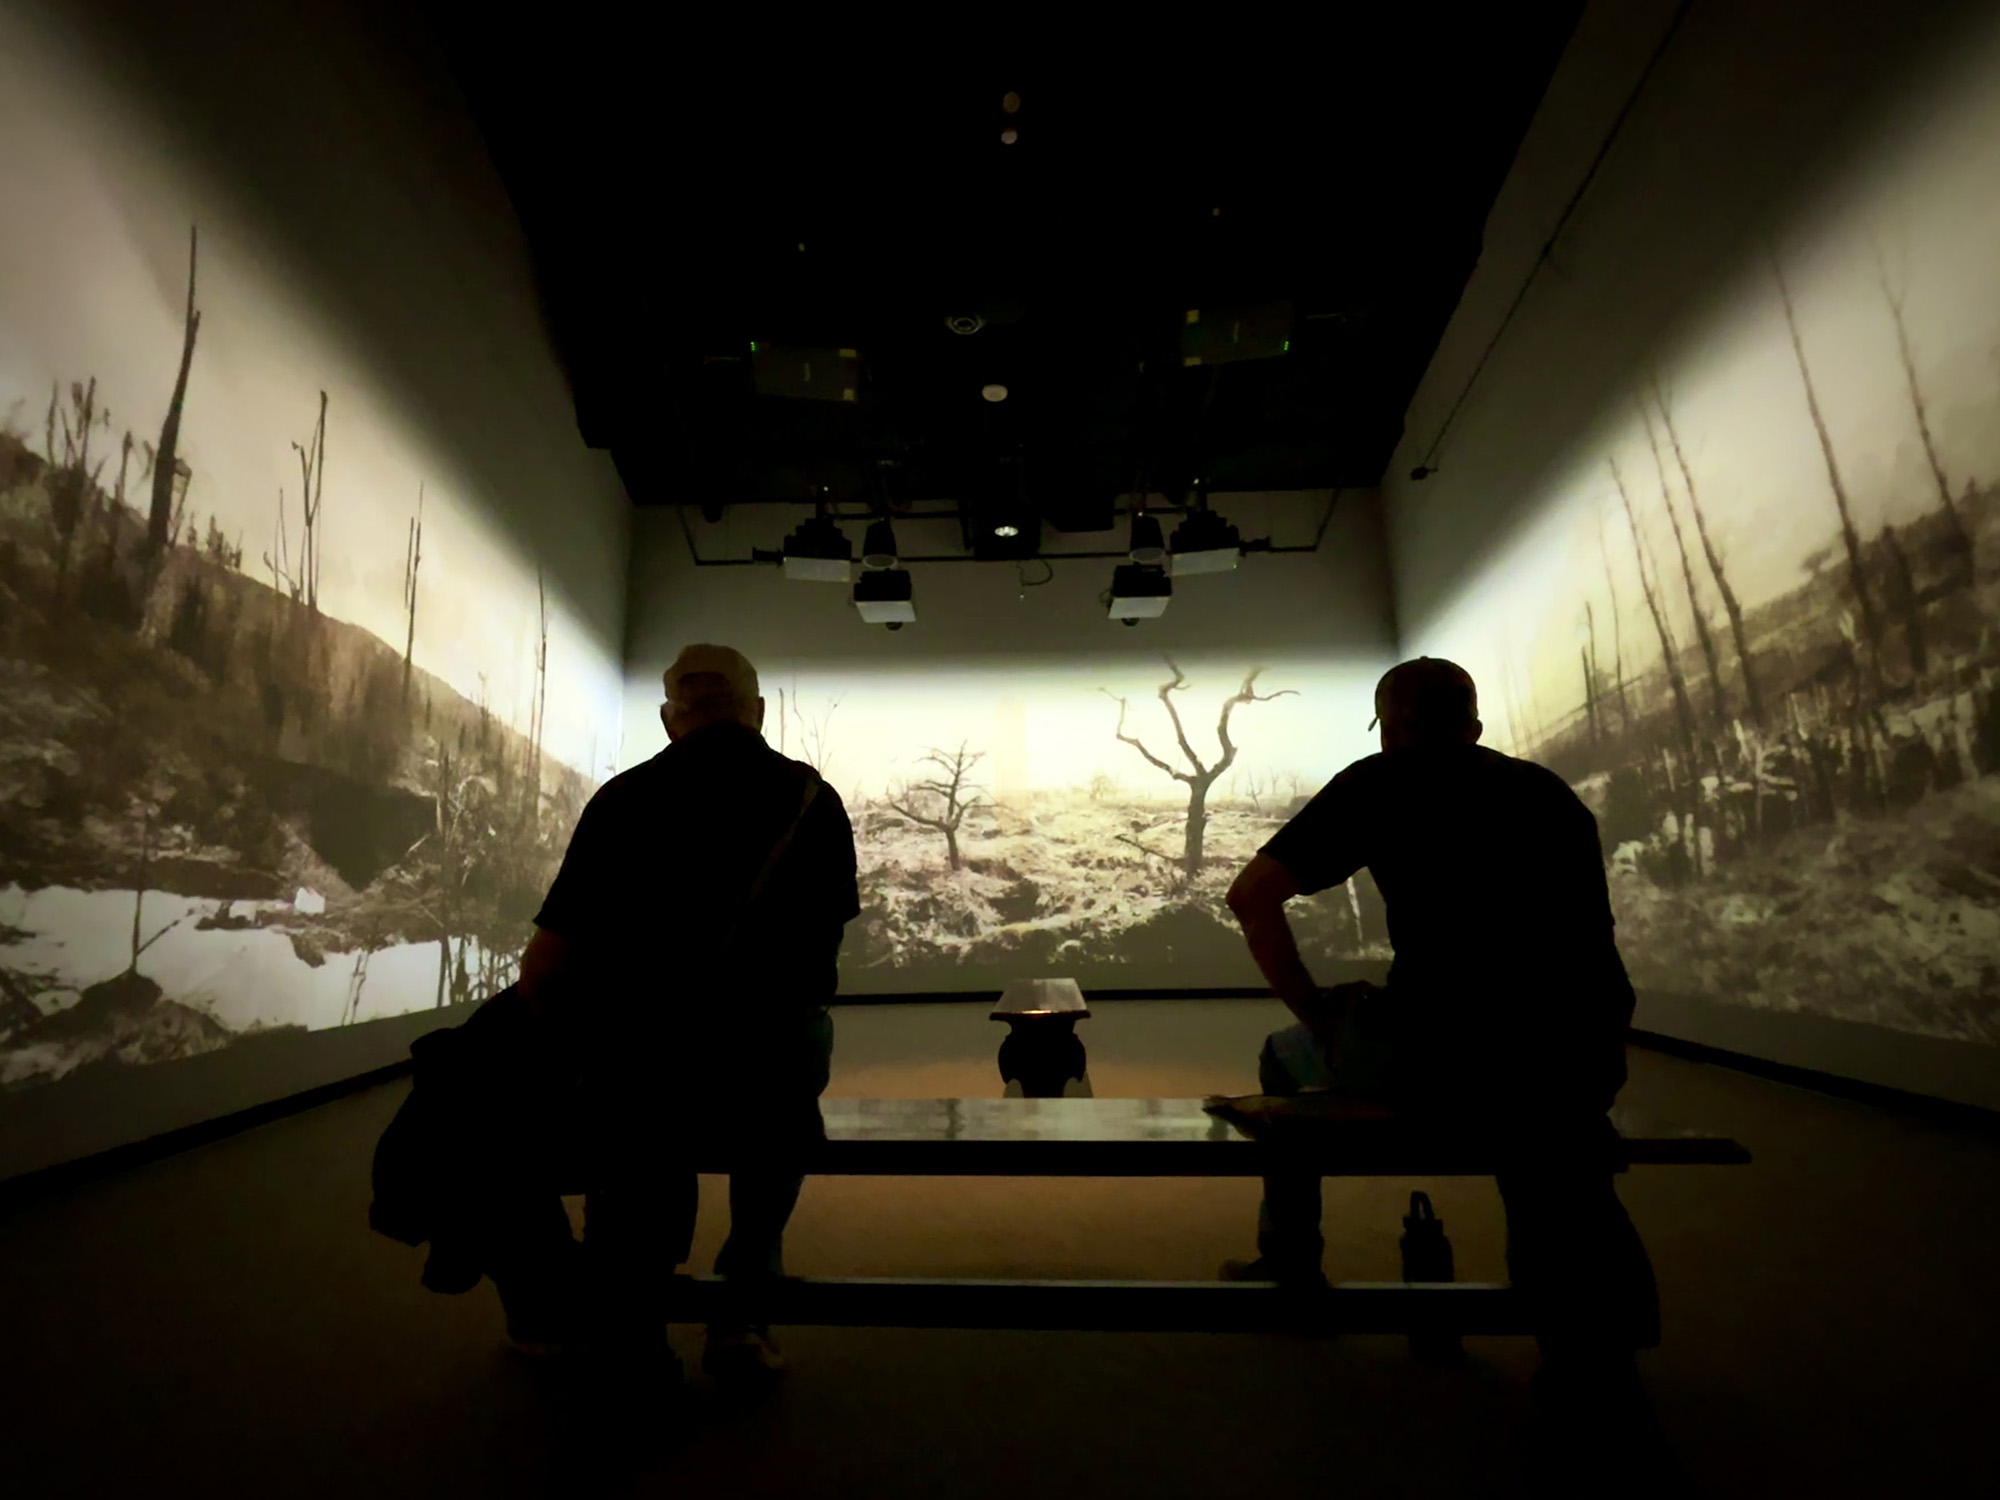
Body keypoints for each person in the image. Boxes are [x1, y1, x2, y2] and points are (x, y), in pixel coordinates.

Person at [1222, 658, 1662, 1420]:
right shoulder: (1548, 794)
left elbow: (1251, 896)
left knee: (1280, 1056)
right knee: (1547, 1144)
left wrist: (1318, 1011)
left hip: (1443, 1060)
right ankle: (1588, 1359)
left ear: (1390, 728)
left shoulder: (1380, 780)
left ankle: (1291, 1270)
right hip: (1577, 1057)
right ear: (1475, 725)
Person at [496, 643, 860, 1394]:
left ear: (670, 719)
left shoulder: (623, 801)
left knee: (627, 1119)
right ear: (756, 711)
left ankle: (634, 1335)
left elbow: (550, 966)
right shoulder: (811, 801)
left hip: (649, 1066)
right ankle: (741, 1313)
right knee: (790, 1073)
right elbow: (820, 950)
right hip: (769, 1065)